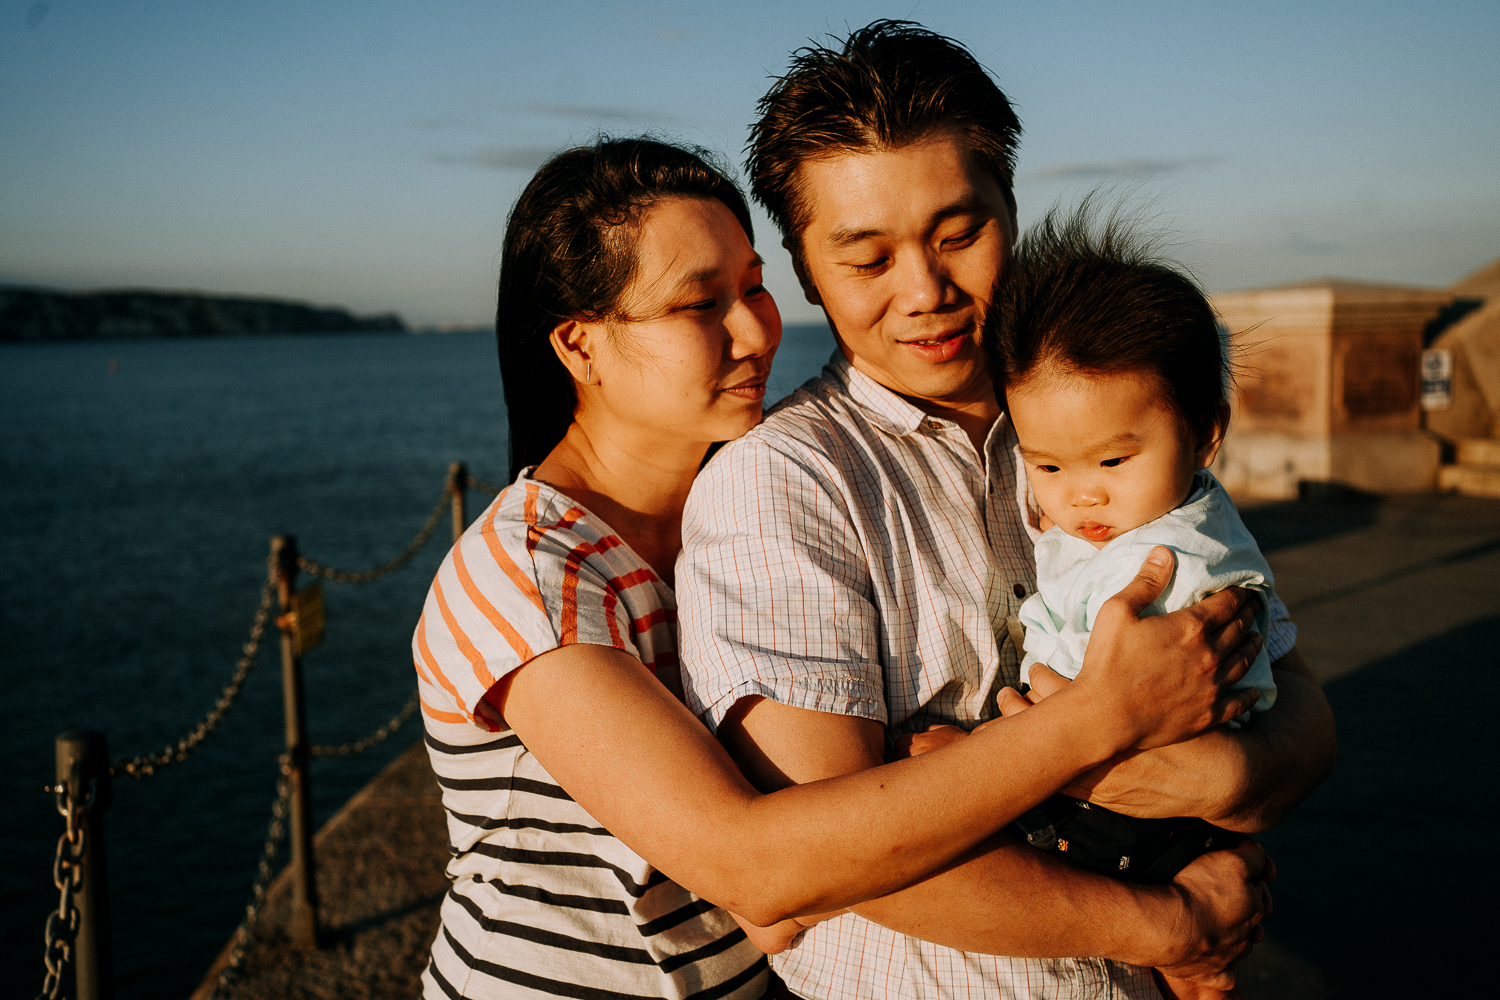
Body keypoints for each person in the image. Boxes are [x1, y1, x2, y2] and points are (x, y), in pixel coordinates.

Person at [412, 137, 1263, 1000]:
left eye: (751, 286)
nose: (752, 329)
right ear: (579, 346)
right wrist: (1100, 726)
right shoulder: (528, 576)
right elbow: (757, 871)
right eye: (698, 304)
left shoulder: (712, 509)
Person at [676, 21, 1337, 1000]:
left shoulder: (1103, 408)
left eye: (958, 233)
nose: (926, 291)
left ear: (1011, 208)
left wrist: (1214, 781)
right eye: (867, 259)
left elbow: (1300, 713)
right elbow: (816, 852)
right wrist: (1172, 915)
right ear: (806, 268)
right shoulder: (783, 483)